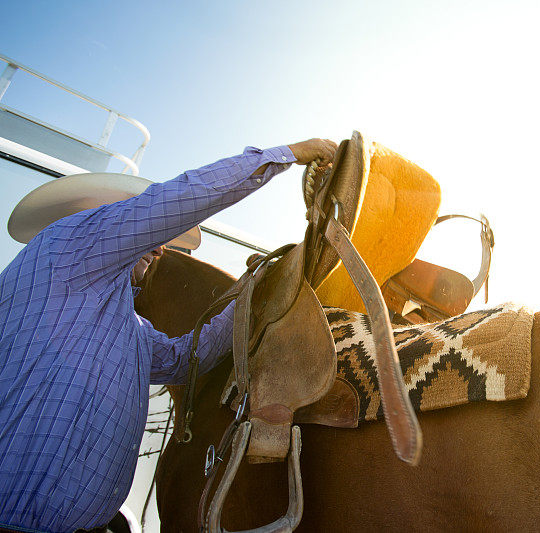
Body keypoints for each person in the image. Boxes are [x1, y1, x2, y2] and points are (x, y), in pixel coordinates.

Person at [0, 138, 336, 532]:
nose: (160, 249)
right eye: (150, 234)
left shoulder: (128, 326)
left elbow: (188, 358)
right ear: (100, 217)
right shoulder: (67, 244)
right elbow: (174, 201)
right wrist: (287, 154)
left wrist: (253, 289)